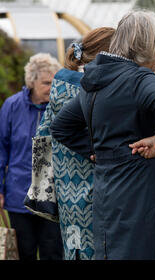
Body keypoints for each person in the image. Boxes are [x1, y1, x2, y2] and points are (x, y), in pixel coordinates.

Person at [50, 10, 155, 260]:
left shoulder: (97, 81)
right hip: (147, 202)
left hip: (108, 198)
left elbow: (60, 127)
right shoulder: (138, 79)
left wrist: (96, 152)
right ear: (144, 44)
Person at [35, 27, 115, 260]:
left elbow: (43, 134)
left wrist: (41, 187)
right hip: (96, 186)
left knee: (74, 249)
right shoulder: (93, 88)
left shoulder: (59, 84)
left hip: (66, 189)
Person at [0, 53, 63, 260]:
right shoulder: (11, 106)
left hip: (53, 196)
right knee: (24, 252)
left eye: (54, 83)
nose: (51, 88)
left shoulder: (61, 107)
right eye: (46, 83)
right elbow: (2, 148)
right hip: (18, 193)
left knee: (52, 252)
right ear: (31, 81)